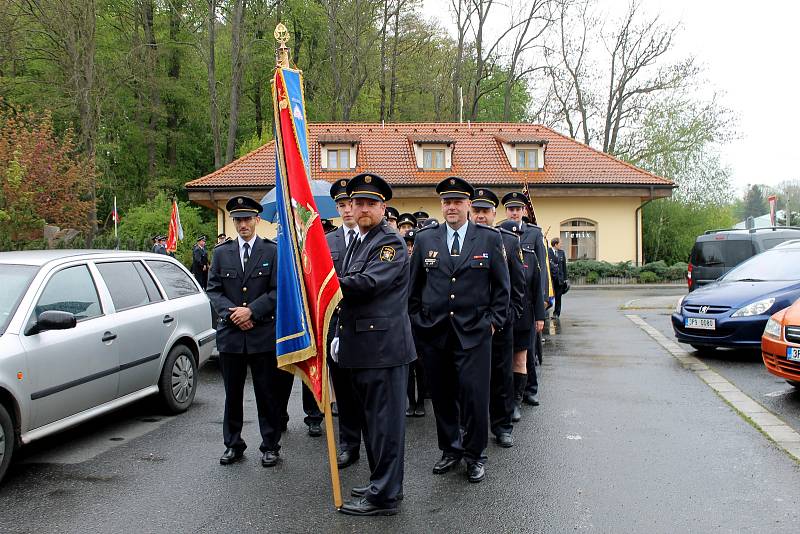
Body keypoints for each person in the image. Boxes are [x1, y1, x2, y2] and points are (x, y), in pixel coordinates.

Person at [409, 177, 510, 484]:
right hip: (434, 332)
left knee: (474, 397)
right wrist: (417, 321)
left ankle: (475, 454)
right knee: (441, 395)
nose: (451, 207)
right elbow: (414, 287)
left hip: (474, 333)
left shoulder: (489, 238)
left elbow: (502, 288)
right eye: (446, 202)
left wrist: (492, 322)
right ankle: (451, 449)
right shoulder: (427, 239)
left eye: (457, 202)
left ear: (468, 204)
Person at [335, 172, 415, 516]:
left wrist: (325, 283)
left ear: (383, 207)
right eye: (358, 203)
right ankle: (379, 481)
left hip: (383, 349)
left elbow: (366, 283)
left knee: (385, 426)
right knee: (373, 423)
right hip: (364, 347)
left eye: (370, 203)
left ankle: (385, 497)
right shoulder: (360, 240)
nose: (362, 208)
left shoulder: (389, 242)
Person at [206, 196, 284, 468]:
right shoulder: (221, 253)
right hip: (231, 335)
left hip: (262, 333)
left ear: (257, 220)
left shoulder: (271, 251)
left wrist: (252, 311)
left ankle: (270, 445)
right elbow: (214, 290)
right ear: (233, 222)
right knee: (232, 394)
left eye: (247, 219)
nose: (243, 224)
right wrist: (234, 314)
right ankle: (233, 444)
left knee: (267, 393)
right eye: (238, 220)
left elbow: (277, 290)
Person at [470, 188, 524, 448]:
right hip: (472, 325)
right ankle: (468, 428)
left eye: (485, 211)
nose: (480, 216)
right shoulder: (463, 241)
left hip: (500, 325)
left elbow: (518, 286)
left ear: (494, 213)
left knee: (502, 377)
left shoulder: (509, 242)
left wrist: (505, 317)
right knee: (470, 380)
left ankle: (502, 426)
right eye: (476, 211)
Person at [325, 179, 364, 469]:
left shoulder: (372, 237)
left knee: (369, 390)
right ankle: (349, 444)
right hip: (336, 325)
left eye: (350, 203)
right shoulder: (326, 242)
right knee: (344, 389)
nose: (346, 209)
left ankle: (373, 443)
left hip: (367, 326)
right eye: (341, 205)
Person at [502, 192, 547, 406]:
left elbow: (541, 272)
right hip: (508, 302)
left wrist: (543, 303)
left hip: (528, 302)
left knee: (527, 352)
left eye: (517, 209)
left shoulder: (534, 234)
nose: (514, 212)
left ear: (523, 211)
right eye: (510, 209)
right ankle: (512, 394)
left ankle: (530, 389)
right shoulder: (498, 230)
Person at [402, 229, 425, 418]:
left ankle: (421, 401)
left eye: (413, 245)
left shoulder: (424, 264)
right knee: (409, 364)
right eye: (407, 245)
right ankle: (411, 402)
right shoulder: (399, 264)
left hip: (422, 319)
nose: (410, 249)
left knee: (421, 364)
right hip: (404, 319)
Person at [551, 237, 568, 317]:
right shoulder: (548, 252)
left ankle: (556, 313)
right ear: (555, 244)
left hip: (559, 279)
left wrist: (565, 279)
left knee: (558, 297)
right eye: (560, 243)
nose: (561, 245)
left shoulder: (562, 252)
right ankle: (545, 312)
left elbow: (564, 266)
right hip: (551, 279)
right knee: (549, 297)